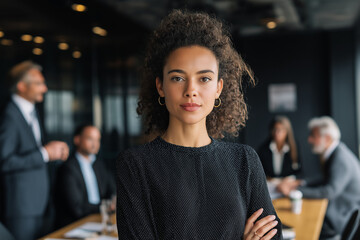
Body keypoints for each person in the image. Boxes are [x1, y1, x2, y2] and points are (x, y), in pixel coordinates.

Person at [116, 10, 282, 240]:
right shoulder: (136, 166)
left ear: (218, 88)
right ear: (160, 86)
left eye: (204, 78)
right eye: (177, 78)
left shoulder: (244, 160)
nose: (191, 90)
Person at [0, 61, 69, 240]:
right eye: (39, 83)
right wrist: (45, 153)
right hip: (22, 209)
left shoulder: (32, 111)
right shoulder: (9, 117)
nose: (45, 89)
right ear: (22, 86)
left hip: (41, 205)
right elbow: (5, 161)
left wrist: (51, 151)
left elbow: (32, 151)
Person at [277, 116, 360, 239]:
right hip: (340, 210)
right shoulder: (336, 152)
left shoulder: (340, 160)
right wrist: (300, 183)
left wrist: (294, 191)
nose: (309, 139)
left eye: (313, 136)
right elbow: (326, 179)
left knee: (301, 229)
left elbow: (329, 191)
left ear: (327, 138)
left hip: (340, 217)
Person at [56, 124, 116, 227]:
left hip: (100, 219)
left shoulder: (99, 165)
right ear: (77, 140)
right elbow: (77, 208)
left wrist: (114, 201)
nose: (95, 144)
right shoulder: (67, 168)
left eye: (98, 140)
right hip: (75, 225)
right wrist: (105, 207)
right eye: (90, 139)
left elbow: (112, 189)